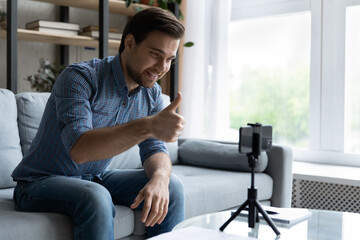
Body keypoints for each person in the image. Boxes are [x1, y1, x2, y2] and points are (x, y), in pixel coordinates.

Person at [11, 7, 185, 240]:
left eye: (170, 60)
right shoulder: (79, 78)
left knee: (172, 186)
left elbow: (154, 148)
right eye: (155, 54)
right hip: (38, 182)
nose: (162, 68)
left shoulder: (151, 93)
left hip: (95, 178)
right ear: (130, 43)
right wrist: (149, 125)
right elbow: (80, 150)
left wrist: (161, 178)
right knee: (96, 196)